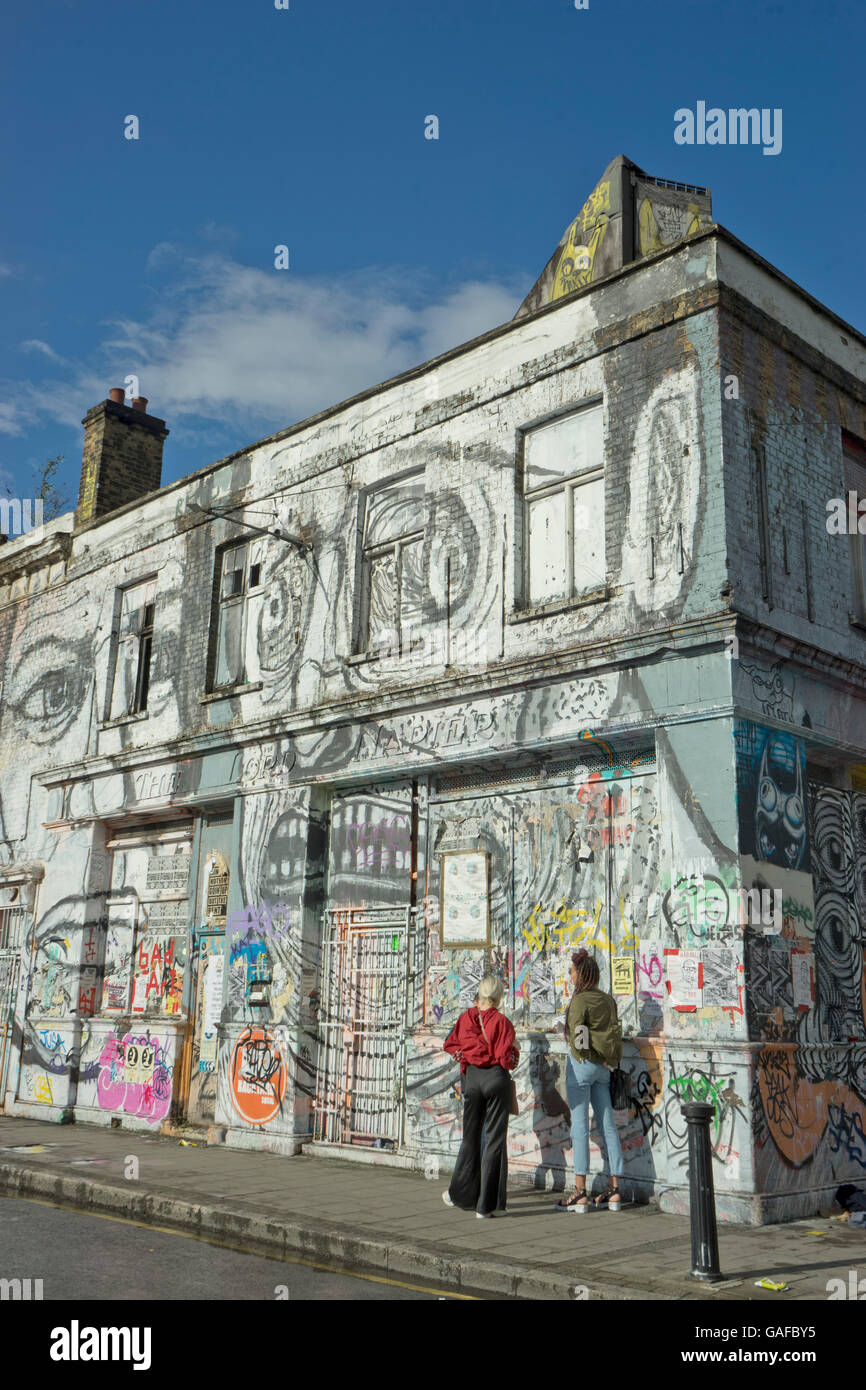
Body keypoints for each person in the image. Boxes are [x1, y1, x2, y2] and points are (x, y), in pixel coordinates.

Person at [441, 975, 519, 1218]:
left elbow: (450, 1045)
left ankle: (459, 1194)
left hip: (472, 1080)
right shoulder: (503, 1022)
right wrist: (514, 1053)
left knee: (470, 1137)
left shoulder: (466, 1018)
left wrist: (464, 1055)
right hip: (496, 1079)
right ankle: (486, 1207)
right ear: (498, 997)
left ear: (480, 994)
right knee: (494, 1141)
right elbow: (507, 1060)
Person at [557, 948, 624, 1213]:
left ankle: (580, 1191)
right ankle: (615, 1189)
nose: (570, 976)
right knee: (608, 1125)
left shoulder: (580, 1001)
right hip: (604, 1069)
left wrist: (585, 1056)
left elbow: (580, 1039)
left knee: (580, 1127)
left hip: (583, 1067)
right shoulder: (608, 1000)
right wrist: (604, 1060)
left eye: (572, 972)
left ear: (580, 974)